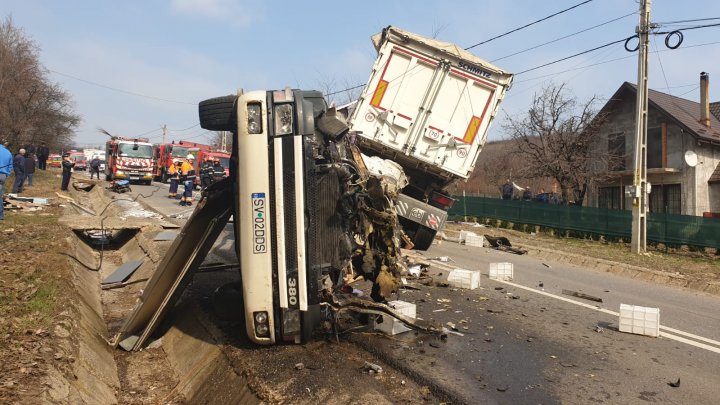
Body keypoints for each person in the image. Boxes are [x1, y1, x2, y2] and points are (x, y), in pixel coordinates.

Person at [0, 141, 13, 220]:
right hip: (2, 175)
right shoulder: (7, 152)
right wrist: (7, 174)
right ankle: (1, 215)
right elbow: (10, 166)